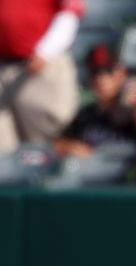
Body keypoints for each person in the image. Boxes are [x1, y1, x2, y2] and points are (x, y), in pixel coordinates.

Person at [0, 0, 84, 154]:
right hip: (4, 65)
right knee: (4, 144)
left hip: (41, 65)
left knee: (50, 133)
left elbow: (70, 12)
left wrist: (46, 51)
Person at [54, 44, 136, 157]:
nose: (101, 79)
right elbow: (55, 144)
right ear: (89, 78)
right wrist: (68, 146)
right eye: (95, 73)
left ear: (122, 73)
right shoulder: (84, 116)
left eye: (108, 71)